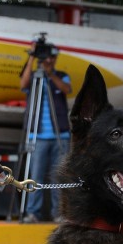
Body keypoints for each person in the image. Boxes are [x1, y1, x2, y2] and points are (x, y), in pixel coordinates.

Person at [19, 41, 73, 223]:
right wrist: (31, 58)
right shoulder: (34, 76)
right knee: (36, 176)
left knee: (59, 176)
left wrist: (50, 74)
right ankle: (33, 212)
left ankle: (59, 213)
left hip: (61, 136)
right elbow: (23, 84)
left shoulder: (61, 76)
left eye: (51, 56)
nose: (48, 60)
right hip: (38, 136)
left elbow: (67, 89)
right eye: (46, 56)